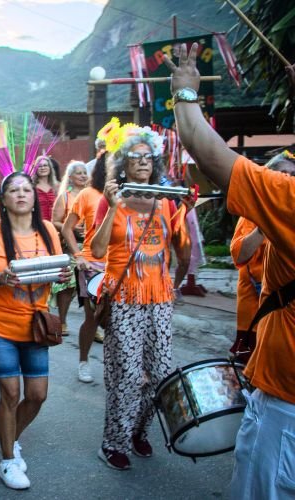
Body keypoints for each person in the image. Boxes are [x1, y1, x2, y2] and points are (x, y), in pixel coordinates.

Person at [166, 42, 295, 499]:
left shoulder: (290, 202)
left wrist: (184, 93)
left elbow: (207, 151)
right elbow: (242, 253)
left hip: (287, 404)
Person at [90, 121, 190, 471]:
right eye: (135, 156)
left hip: (159, 298)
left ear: (156, 162)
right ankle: (113, 442)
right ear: (124, 163)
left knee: (161, 374)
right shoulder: (110, 200)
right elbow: (97, 249)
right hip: (124, 299)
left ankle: (138, 431)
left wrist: (187, 212)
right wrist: (114, 206)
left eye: (148, 157)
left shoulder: (167, 201)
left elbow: (181, 247)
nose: (143, 161)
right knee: (128, 375)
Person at [0, 171, 67, 490]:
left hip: (35, 324)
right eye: (13, 190)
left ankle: (9, 438)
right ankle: (9, 460)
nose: (21, 194)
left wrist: (63, 275)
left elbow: (57, 270)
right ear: (4, 199)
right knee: (10, 394)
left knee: (37, 395)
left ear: (34, 197)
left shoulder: (48, 230)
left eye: (26, 189)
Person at [229, 153, 295, 364]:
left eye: (292, 175)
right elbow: (239, 255)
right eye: (281, 173)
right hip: (256, 311)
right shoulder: (252, 212)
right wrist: (264, 226)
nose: (287, 179)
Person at [61, 154, 108, 384]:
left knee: (118, 319)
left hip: (121, 266)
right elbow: (67, 228)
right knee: (94, 317)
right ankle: (83, 361)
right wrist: (78, 255)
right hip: (92, 263)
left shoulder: (130, 194)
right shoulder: (88, 194)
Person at [51, 161, 88, 336]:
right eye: (79, 173)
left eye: (84, 173)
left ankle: (92, 325)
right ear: (71, 177)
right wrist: (72, 228)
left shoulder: (93, 195)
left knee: (92, 286)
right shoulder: (65, 197)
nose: (82, 176)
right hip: (70, 246)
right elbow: (56, 221)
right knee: (68, 285)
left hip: (91, 245)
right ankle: (63, 321)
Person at [31, 156, 59, 222]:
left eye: (45, 165)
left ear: (50, 168)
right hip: (39, 224)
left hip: (55, 226)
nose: (43, 168)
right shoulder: (31, 187)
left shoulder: (57, 186)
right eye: (40, 166)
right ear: (35, 169)